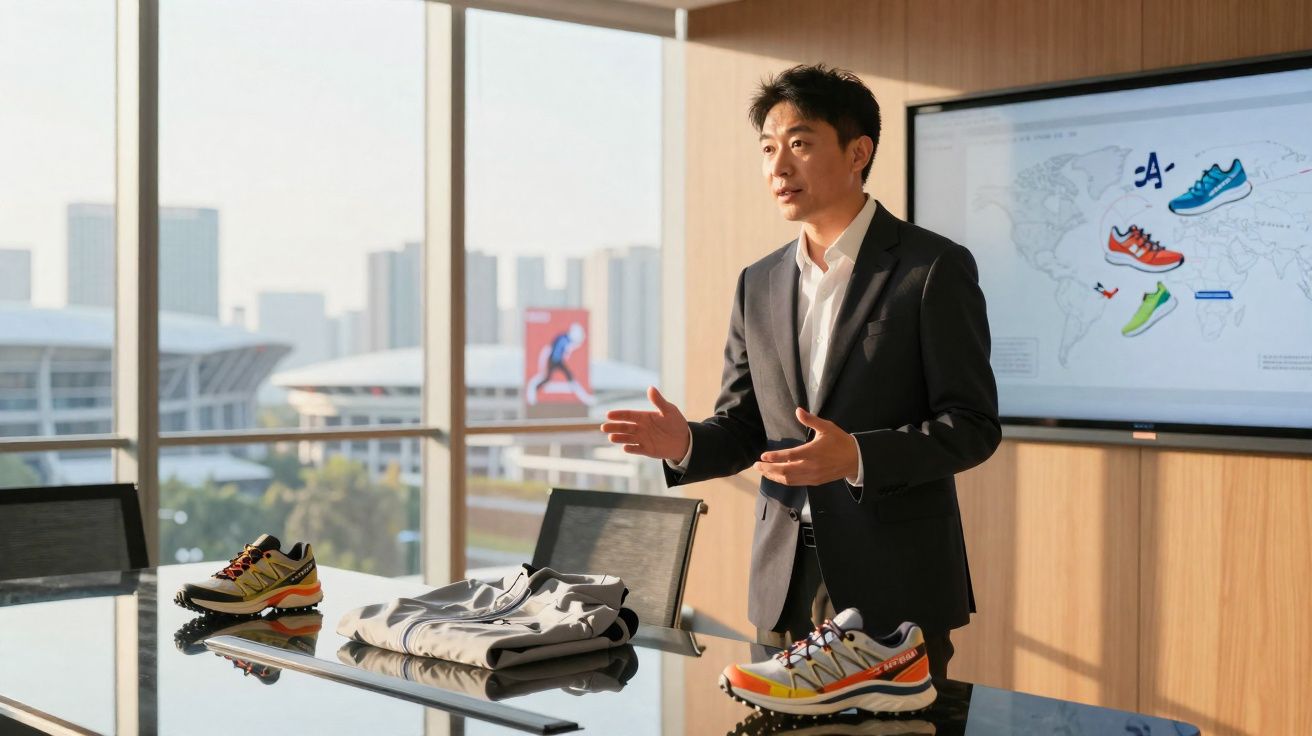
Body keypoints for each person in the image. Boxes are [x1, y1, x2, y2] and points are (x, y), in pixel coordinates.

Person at [600, 64, 999, 678]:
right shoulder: (757, 282)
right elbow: (744, 428)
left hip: (895, 584)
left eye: (800, 144)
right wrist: (684, 444)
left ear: (858, 152)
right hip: (781, 581)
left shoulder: (932, 268)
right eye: (767, 148)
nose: (777, 168)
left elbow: (971, 425)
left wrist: (858, 457)